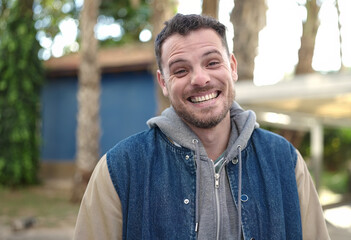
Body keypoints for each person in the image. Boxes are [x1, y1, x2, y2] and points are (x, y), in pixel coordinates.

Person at [73, 13, 330, 240]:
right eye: (181, 70)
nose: (200, 79)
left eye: (212, 63)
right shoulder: (120, 169)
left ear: (232, 67)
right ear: (163, 82)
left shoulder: (285, 161)